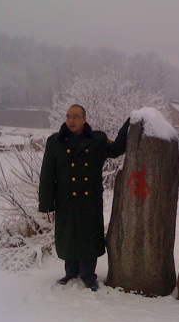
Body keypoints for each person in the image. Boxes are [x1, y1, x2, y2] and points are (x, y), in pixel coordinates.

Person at [39, 104, 130, 291]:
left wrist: (129, 124)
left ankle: (88, 276)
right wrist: (46, 202)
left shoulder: (97, 140)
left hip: (90, 200)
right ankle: (71, 273)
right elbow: (47, 173)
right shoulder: (55, 142)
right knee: (68, 236)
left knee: (88, 236)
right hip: (66, 199)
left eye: (76, 116)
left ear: (84, 119)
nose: (71, 120)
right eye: (68, 116)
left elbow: (117, 149)